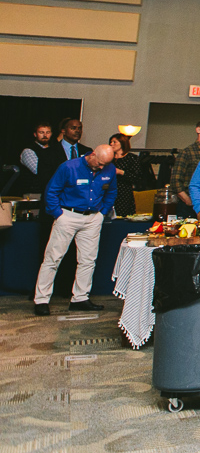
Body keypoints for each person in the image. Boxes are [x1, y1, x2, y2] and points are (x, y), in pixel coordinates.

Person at [33, 143, 115, 316]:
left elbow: (112, 192)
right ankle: (41, 300)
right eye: (100, 163)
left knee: (88, 260)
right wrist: (58, 214)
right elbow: (51, 191)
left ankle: (80, 298)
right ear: (92, 155)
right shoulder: (69, 167)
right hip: (68, 216)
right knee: (53, 258)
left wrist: (102, 213)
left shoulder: (110, 169)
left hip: (92, 218)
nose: (102, 168)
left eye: (105, 165)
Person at [171, 118, 200, 212]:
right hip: (190, 203)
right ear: (198, 130)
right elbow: (175, 181)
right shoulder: (187, 152)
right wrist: (188, 201)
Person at [109, 132, 150, 217]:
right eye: (111, 142)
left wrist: (121, 172)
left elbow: (137, 178)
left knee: (122, 216)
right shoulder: (109, 158)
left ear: (122, 143)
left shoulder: (131, 158)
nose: (111, 144)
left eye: (114, 142)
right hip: (108, 191)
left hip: (123, 193)